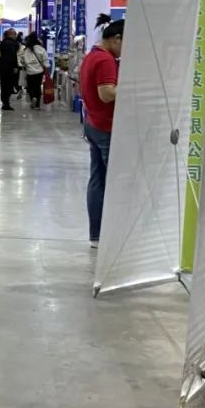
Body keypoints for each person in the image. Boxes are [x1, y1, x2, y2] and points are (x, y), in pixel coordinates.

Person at [80, 14, 123, 244]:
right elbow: (106, 94)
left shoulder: (92, 56)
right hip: (106, 126)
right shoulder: (106, 60)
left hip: (93, 123)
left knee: (97, 180)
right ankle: (113, 237)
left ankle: (96, 235)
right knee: (115, 182)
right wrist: (131, 85)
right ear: (116, 39)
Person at [19, 32, 48, 109]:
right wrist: (46, 69)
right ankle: (37, 104)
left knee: (31, 87)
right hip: (39, 72)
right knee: (37, 87)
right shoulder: (41, 49)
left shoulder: (26, 50)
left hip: (29, 71)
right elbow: (45, 61)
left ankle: (33, 98)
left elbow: (22, 61)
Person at [0, 28, 20, 111]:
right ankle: (6, 103)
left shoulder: (3, 42)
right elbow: (13, 56)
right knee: (9, 85)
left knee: (4, 85)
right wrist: (15, 66)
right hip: (9, 68)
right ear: (11, 34)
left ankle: (4, 102)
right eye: (15, 34)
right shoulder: (12, 43)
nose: (16, 36)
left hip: (3, 67)